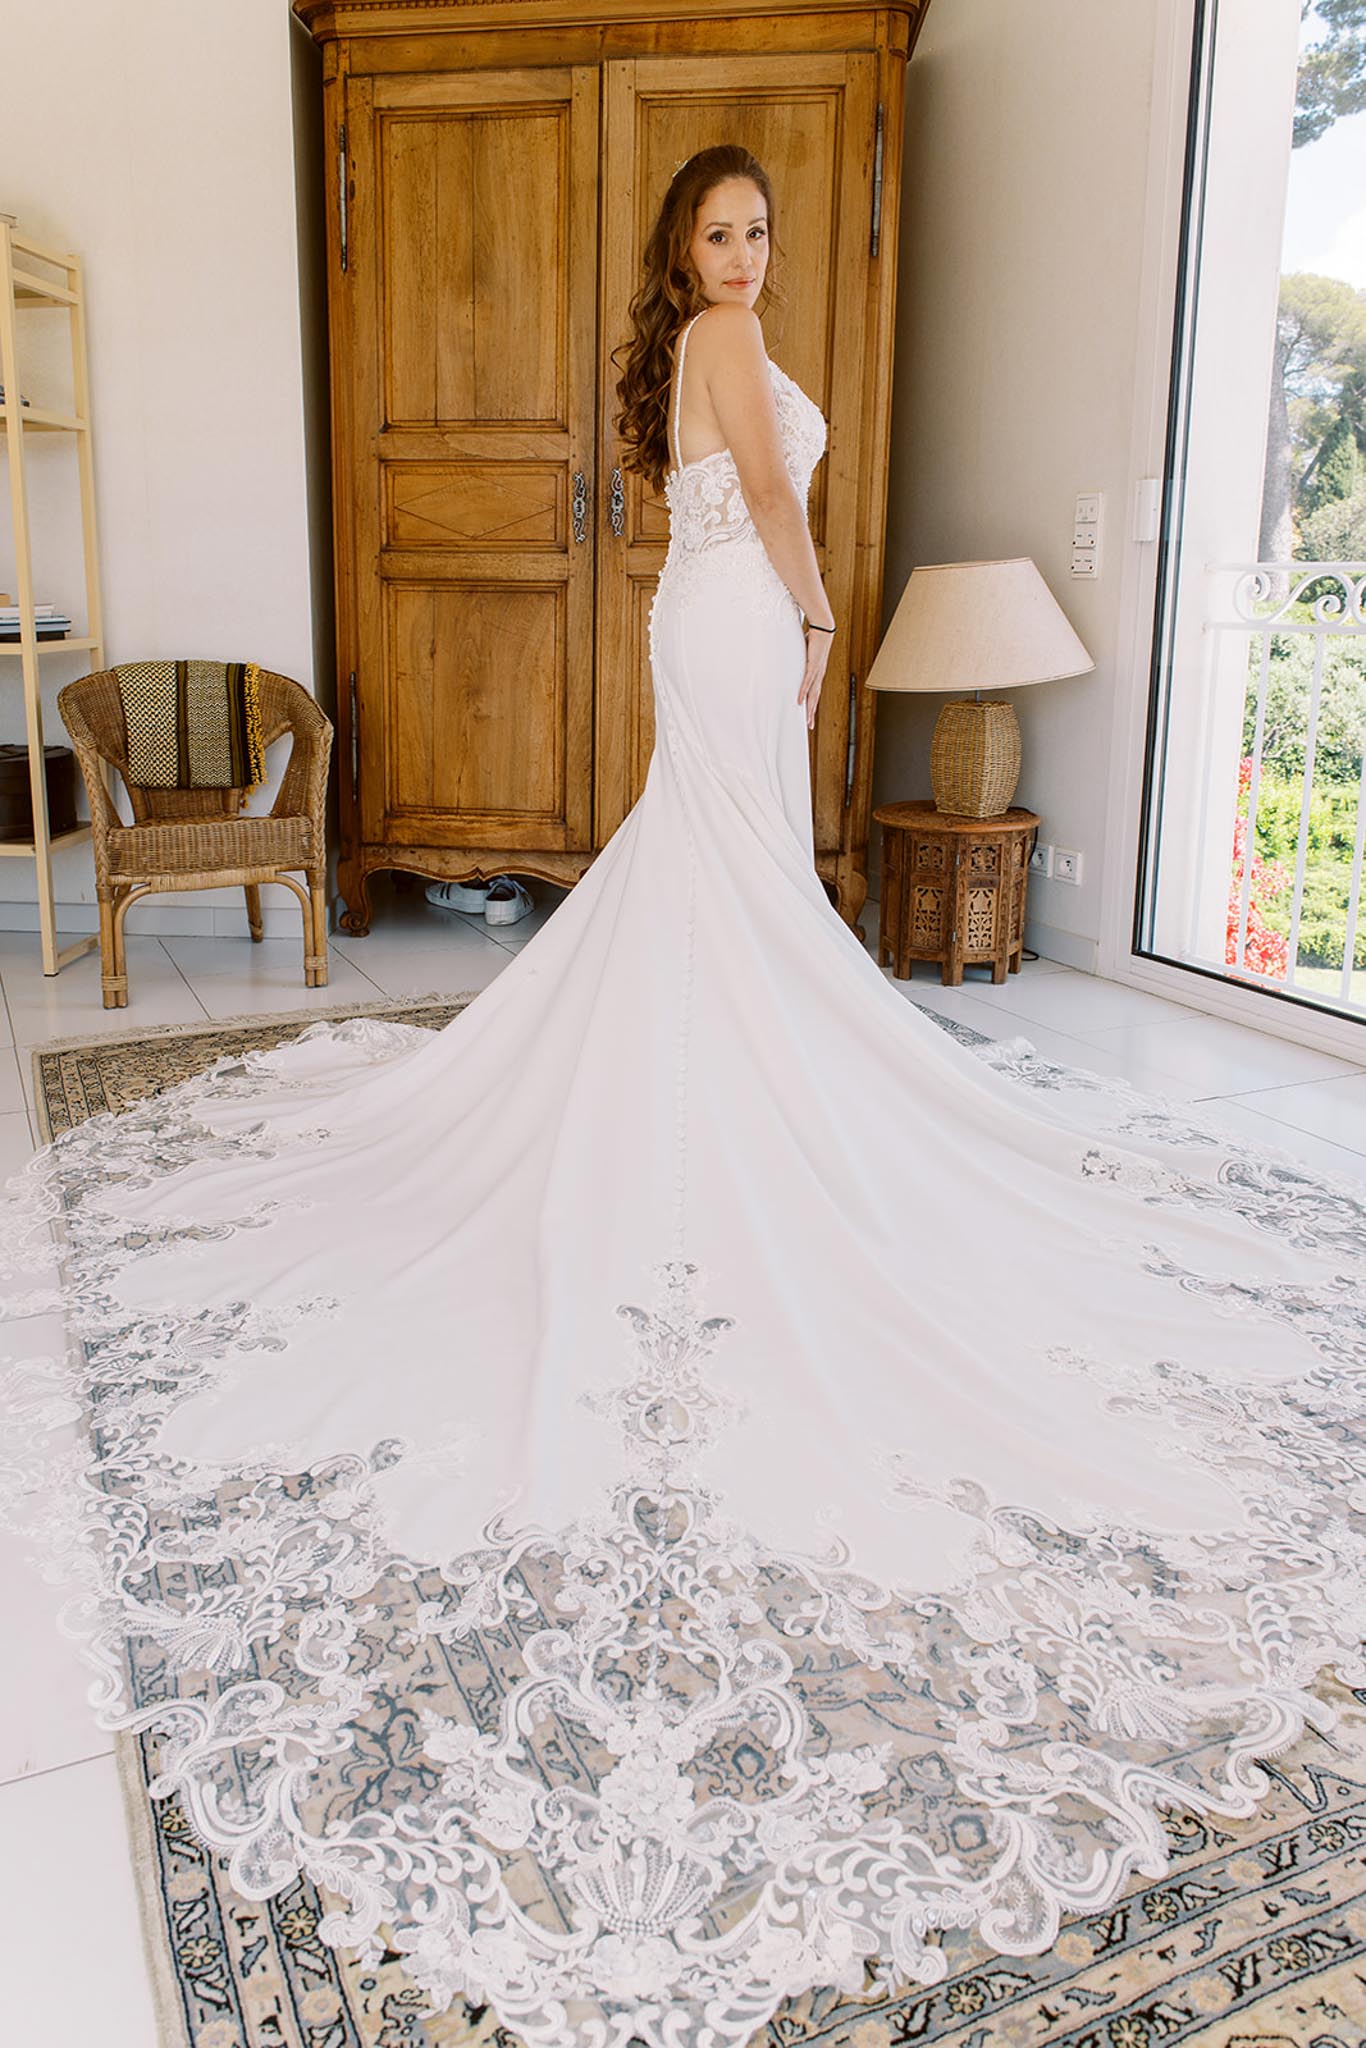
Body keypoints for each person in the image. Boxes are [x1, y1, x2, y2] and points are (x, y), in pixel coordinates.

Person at [2, 142, 1363, 2048]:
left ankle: (731, 1068)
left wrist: (771, 606)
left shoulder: (708, 345)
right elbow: (786, 522)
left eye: (758, 229)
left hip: (694, 626)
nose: (748, 253)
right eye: (723, 231)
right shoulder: (727, 339)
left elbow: (714, 506)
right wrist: (814, 624)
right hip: (737, 630)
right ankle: (732, 1085)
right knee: (732, 865)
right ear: (688, 255)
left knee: (717, 871)